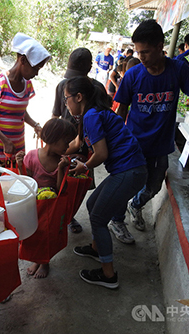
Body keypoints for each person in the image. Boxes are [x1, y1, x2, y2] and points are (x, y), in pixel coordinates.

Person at [113, 19, 189, 243]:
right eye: (139, 52)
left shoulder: (178, 70)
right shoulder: (133, 76)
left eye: (146, 52)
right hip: (134, 144)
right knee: (126, 184)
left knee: (153, 187)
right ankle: (116, 220)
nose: (141, 57)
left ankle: (136, 206)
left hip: (160, 145)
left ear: (161, 46)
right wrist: (116, 141)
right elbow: (120, 110)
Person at [64, 76, 147, 289]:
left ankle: (108, 275)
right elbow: (79, 143)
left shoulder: (91, 115)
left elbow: (100, 154)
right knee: (92, 205)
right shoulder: (90, 114)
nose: (66, 104)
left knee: (99, 218)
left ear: (79, 97)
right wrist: (55, 153)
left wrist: (84, 166)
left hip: (129, 171)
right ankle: (96, 248)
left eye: (67, 99)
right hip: (128, 169)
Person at [51, 47, 105, 234]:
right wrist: (51, 141)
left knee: (79, 184)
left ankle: (70, 212)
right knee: (61, 180)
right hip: (66, 144)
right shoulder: (62, 86)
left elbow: (94, 142)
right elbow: (55, 115)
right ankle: (64, 214)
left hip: (87, 147)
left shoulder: (97, 92)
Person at [15, 118, 77, 278]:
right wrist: (20, 165)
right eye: (66, 142)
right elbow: (26, 183)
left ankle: (45, 262)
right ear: (54, 139)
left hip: (51, 208)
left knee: (47, 235)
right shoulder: (32, 156)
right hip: (34, 206)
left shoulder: (62, 162)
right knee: (34, 234)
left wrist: (62, 169)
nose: (68, 146)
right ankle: (37, 259)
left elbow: (61, 189)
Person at [0, 33, 51, 163]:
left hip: (18, 146)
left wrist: (35, 125)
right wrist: (5, 140)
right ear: (22, 61)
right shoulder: (0, 82)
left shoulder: (27, 84)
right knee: (1, 181)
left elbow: (20, 112)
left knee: (16, 179)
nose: (36, 73)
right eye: (35, 68)